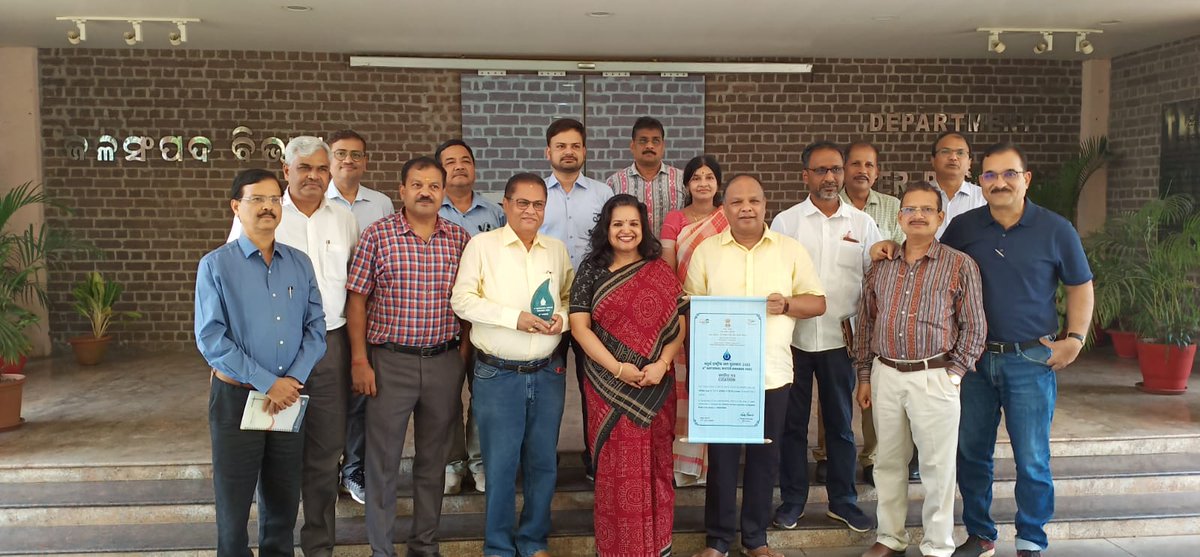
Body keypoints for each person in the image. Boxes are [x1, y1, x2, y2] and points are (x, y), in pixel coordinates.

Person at [945, 143, 1094, 557]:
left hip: (1031, 358)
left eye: (1009, 174)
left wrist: (1075, 340)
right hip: (972, 359)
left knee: (1032, 459)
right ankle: (980, 533)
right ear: (980, 182)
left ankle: (1031, 537)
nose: (1000, 183)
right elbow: (937, 271)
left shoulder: (1055, 228)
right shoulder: (963, 228)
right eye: (991, 175)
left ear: (1026, 179)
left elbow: (1080, 285)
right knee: (972, 453)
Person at [226, 137, 359, 557]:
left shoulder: (344, 218)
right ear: (286, 171)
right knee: (275, 457)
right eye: (304, 168)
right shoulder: (263, 213)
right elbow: (234, 279)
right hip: (271, 356)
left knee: (325, 452)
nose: (315, 177)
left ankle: (319, 547)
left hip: (328, 347)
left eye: (322, 169)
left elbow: (354, 290)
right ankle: (275, 546)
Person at [685, 174, 826, 557]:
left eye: (754, 201)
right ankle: (717, 541)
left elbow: (818, 302)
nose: (746, 207)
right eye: (736, 202)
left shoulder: (789, 250)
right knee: (723, 462)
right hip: (722, 377)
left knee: (765, 460)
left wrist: (787, 305)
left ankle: (755, 539)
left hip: (772, 374)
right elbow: (690, 308)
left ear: (766, 205)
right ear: (724, 208)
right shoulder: (706, 252)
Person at [195, 168, 326, 557]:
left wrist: (292, 381)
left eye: (274, 199)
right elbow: (211, 338)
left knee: (283, 500)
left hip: (289, 398)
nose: (267, 207)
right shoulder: (216, 265)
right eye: (257, 199)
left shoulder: (299, 263)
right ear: (237, 206)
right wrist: (268, 382)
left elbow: (316, 329)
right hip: (237, 399)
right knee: (233, 507)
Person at [345, 156, 471, 557]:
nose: (425, 192)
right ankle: (382, 550)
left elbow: (468, 305)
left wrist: (461, 358)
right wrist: (360, 360)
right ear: (401, 190)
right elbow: (358, 301)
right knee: (382, 464)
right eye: (417, 184)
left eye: (434, 186)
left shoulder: (459, 239)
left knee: (433, 463)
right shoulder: (376, 236)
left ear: (443, 191)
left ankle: (424, 546)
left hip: (442, 362)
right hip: (389, 363)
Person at [853, 181, 986, 557]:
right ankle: (890, 538)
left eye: (927, 209)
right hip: (886, 374)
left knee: (937, 470)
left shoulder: (960, 265)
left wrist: (955, 373)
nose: (918, 215)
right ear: (899, 217)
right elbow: (867, 323)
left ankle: (937, 545)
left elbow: (974, 325)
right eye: (910, 209)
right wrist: (865, 375)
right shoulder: (882, 266)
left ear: (940, 217)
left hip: (935, 376)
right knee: (888, 462)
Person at [452, 172, 575, 557]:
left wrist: (564, 320)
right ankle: (499, 547)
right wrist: (513, 318)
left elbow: (570, 298)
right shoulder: (482, 246)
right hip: (497, 373)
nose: (530, 210)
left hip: (546, 371)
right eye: (522, 202)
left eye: (538, 204)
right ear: (505, 204)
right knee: (500, 468)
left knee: (542, 464)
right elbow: (463, 301)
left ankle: (533, 540)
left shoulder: (555, 250)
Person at [770, 141, 881, 534]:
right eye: (821, 170)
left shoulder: (863, 225)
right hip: (792, 340)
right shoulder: (785, 222)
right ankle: (793, 499)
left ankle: (843, 500)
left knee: (839, 423)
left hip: (841, 340)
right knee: (792, 424)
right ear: (806, 176)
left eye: (835, 169)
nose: (830, 177)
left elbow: (875, 280)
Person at [569, 194, 686, 557]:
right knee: (614, 474)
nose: (626, 230)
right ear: (607, 228)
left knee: (656, 469)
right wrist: (618, 368)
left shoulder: (659, 269)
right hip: (607, 389)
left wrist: (663, 362)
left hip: (654, 387)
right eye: (618, 223)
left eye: (633, 223)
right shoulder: (591, 269)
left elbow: (679, 325)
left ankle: (656, 547)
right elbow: (579, 327)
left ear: (643, 227)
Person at [813, 140, 897, 486]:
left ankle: (872, 456)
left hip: (875, 317)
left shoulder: (893, 208)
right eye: (855, 164)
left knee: (871, 389)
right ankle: (825, 454)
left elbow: (902, 251)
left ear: (877, 172)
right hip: (833, 317)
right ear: (844, 170)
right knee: (832, 391)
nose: (862, 170)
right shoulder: (826, 206)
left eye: (869, 165)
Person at [541, 117, 614, 480]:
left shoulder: (603, 195)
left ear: (584, 151)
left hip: (594, 304)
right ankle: (543, 459)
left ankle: (594, 457)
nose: (568, 152)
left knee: (595, 385)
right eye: (561, 146)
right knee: (545, 386)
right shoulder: (536, 194)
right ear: (548, 152)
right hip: (547, 304)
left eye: (575, 145)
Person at [327, 129, 395, 507]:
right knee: (324, 397)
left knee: (360, 396)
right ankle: (324, 466)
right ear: (329, 158)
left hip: (366, 315)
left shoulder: (381, 203)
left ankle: (354, 466)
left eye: (356, 155)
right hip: (321, 318)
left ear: (366, 161)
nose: (348, 161)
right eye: (341, 154)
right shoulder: (317, 203)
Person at [436, 138, 505, 495]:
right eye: (450, 161)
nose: (459, 165)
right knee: (446, 395)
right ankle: (452, 464)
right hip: (442, 320)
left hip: (484, 319)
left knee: (483, 395)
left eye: (466, 160)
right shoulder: (431, 211)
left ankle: (480, 463)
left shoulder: (495, 214)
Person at [660, 155, 729, 486]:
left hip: (723, 315)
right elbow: (667, 266)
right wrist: (678, 307)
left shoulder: (728, 217)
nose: (703, 183)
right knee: (686, 386)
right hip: (686, 312)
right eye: (696, 178)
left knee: (718, 384)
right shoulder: (675, 219)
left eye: (709, 177)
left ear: (718, 183)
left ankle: (715, 463)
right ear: (687, 185)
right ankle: (686, 466)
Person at [606, 116, 686, 235]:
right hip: (629, 251)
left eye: (655, 141)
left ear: (663, 146)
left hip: (672, 253)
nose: (649, 146)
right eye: (643, 140)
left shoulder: (682, 180)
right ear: (632, 146)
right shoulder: (614, 182)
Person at [929, 131, 986, 239]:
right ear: (933, 160)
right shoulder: (918, 196)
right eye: (945, 152)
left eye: (960, 153)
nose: (953, 157)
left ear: (969, 162)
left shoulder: (983, 198)